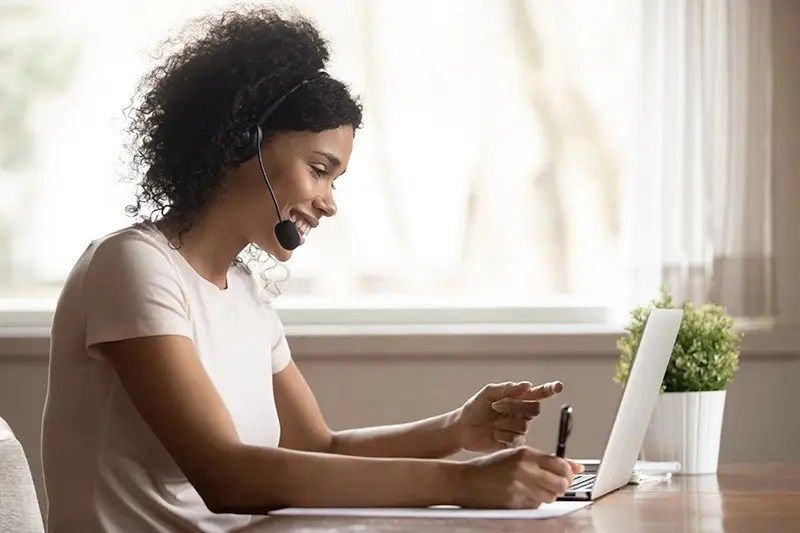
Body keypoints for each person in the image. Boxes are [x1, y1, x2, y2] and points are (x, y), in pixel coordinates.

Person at [41, 6, 583, 532]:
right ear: (240, 141)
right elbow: (226, 475)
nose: (328, 203)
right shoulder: (133, 265)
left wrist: (457, 428)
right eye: (319, 170)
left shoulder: (245, 292)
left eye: (335, 180)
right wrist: (463, 486)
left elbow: (319, 448)